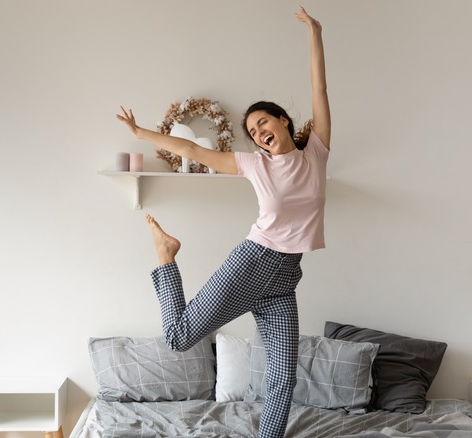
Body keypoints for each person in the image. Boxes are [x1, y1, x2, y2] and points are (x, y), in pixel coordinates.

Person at [116, 7, 329, 438]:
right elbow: (194, 151)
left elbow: (319, 87)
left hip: (286, 277)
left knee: (283, 378)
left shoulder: (317, 153)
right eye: (253, 131)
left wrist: (316, 33)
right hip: (252, 262)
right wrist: (142, 134)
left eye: (263, 121)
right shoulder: (255, 165)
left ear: (283, 121)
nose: (259, 131)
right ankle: (166, 255)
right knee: (179, 337)